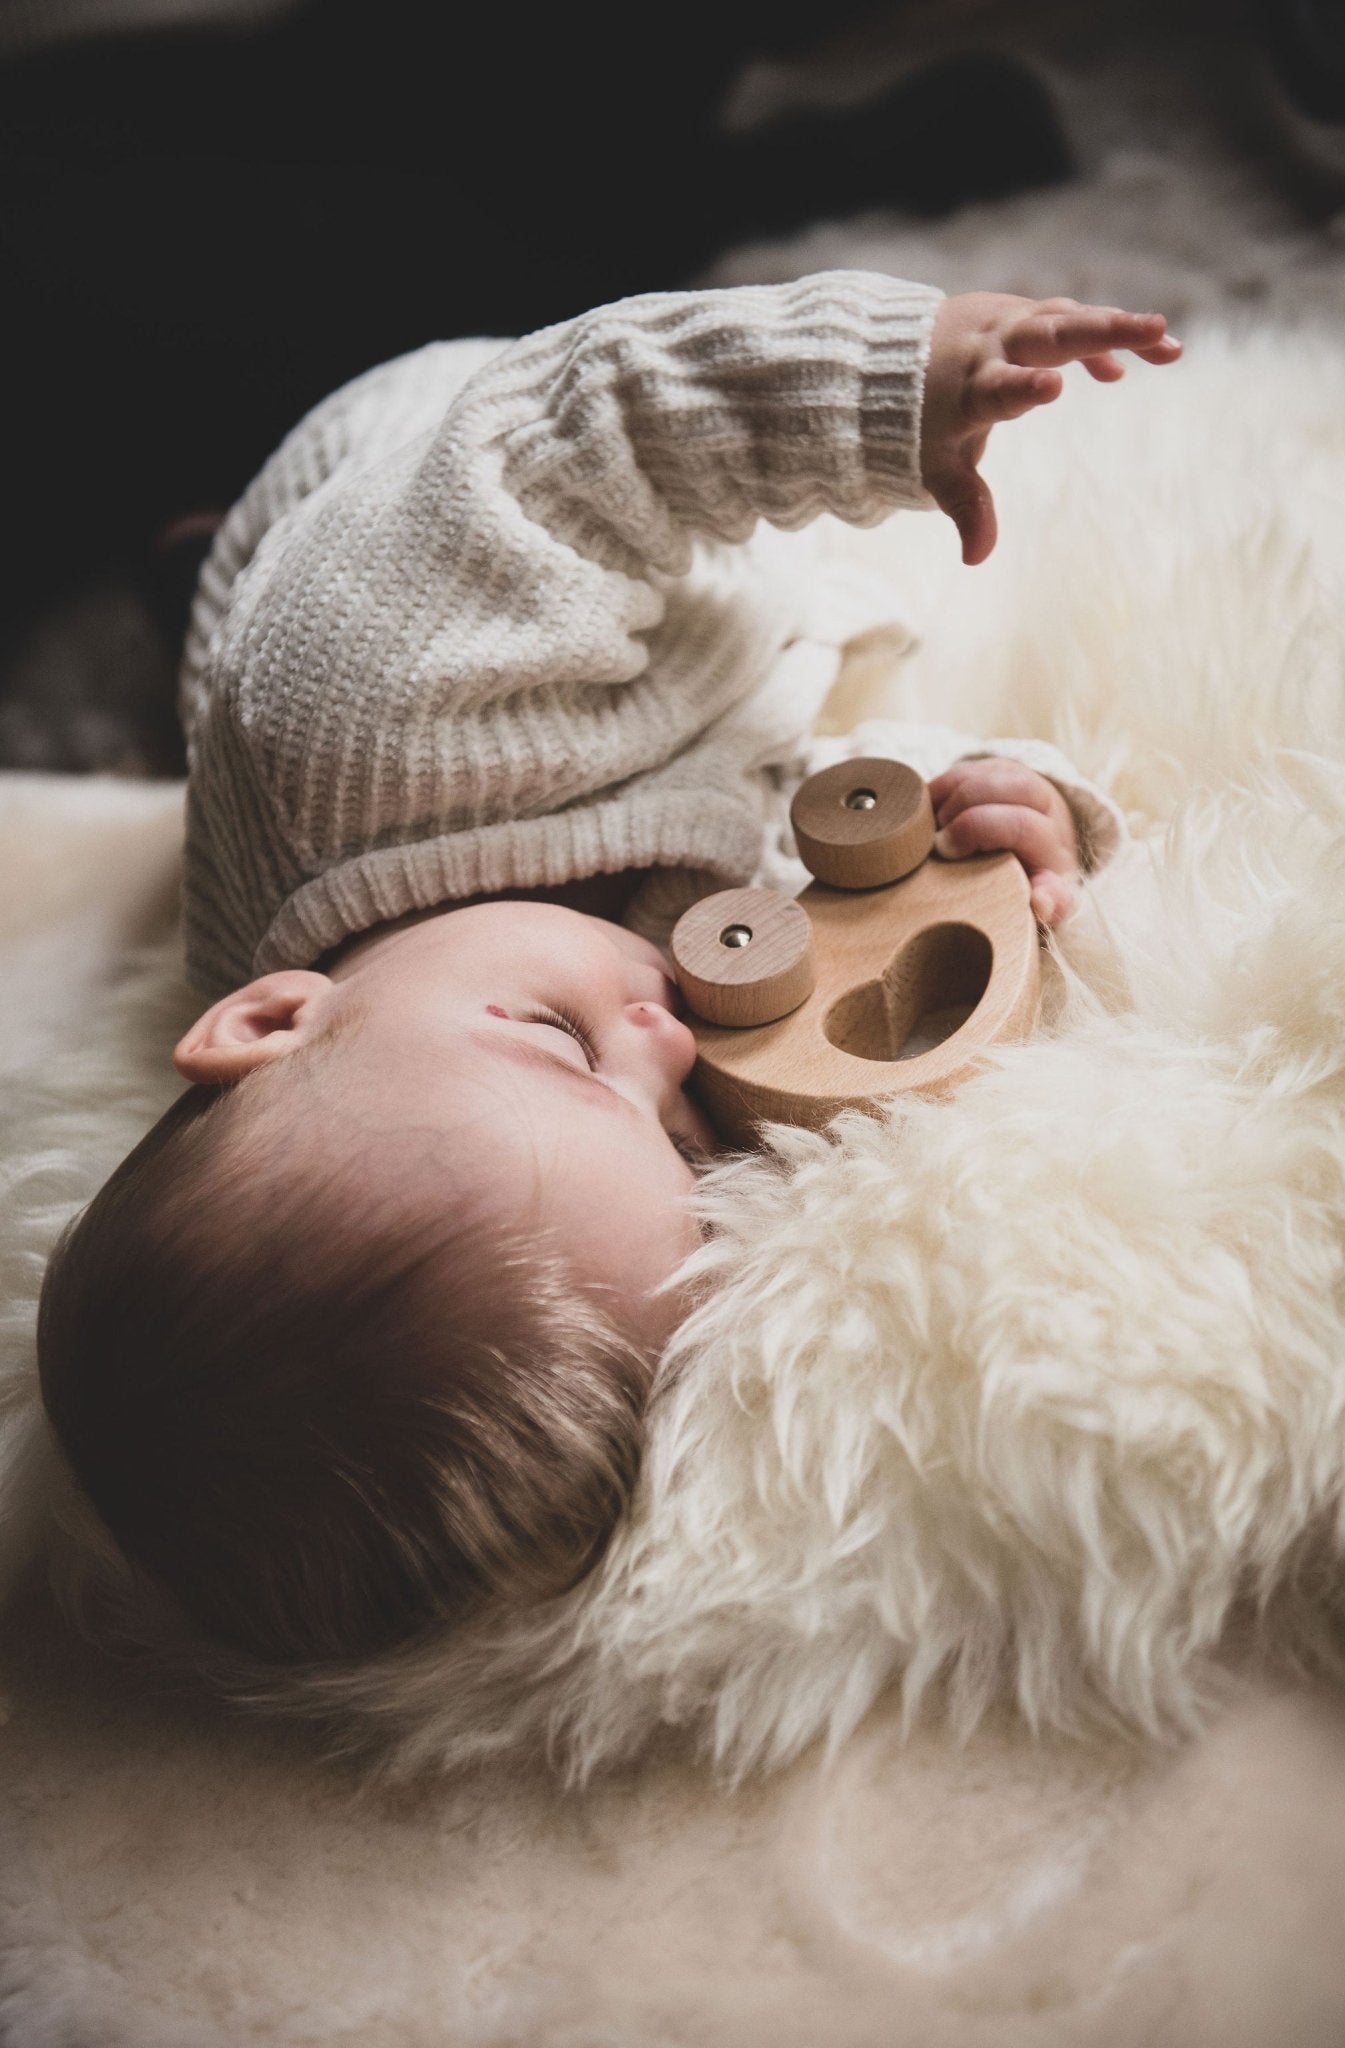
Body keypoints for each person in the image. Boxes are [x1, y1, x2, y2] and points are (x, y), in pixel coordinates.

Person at [36, 273, 1181, 1671]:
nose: (673, 1049)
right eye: (680, 1144)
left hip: (450, 458)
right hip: (644, 690)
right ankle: (188, 567)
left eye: (572, 1056)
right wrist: (1014, 820)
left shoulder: (362, 704)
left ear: (274, 1013)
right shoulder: (588, 997)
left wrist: (880, 381)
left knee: (405, 463)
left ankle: (209, 558)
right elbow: (834, 830)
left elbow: (585, 431)